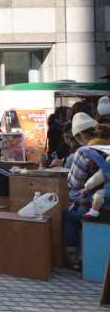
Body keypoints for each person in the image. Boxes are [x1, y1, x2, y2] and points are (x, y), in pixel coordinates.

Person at [63, 113, 110, 270]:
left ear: (80, 134)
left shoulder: (84, 152)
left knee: (69, 215)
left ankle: (74, 259)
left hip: (101, 206)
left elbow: (75, 184)